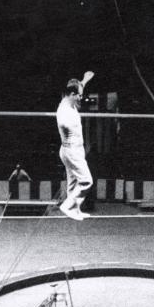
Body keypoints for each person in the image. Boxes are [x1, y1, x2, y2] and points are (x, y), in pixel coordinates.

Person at [56, 71, 94, 220]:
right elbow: (62, 122)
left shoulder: (69, 98)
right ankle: (66, 206)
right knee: (86, 181)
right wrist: (64, 126)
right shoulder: (63, 111)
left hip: (73, 150)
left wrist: (84, 80)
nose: (80, 98)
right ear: (71, 94)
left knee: (73, 183)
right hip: (71, 150)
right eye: (78, 95)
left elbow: (79, 87)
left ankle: (75, 209)